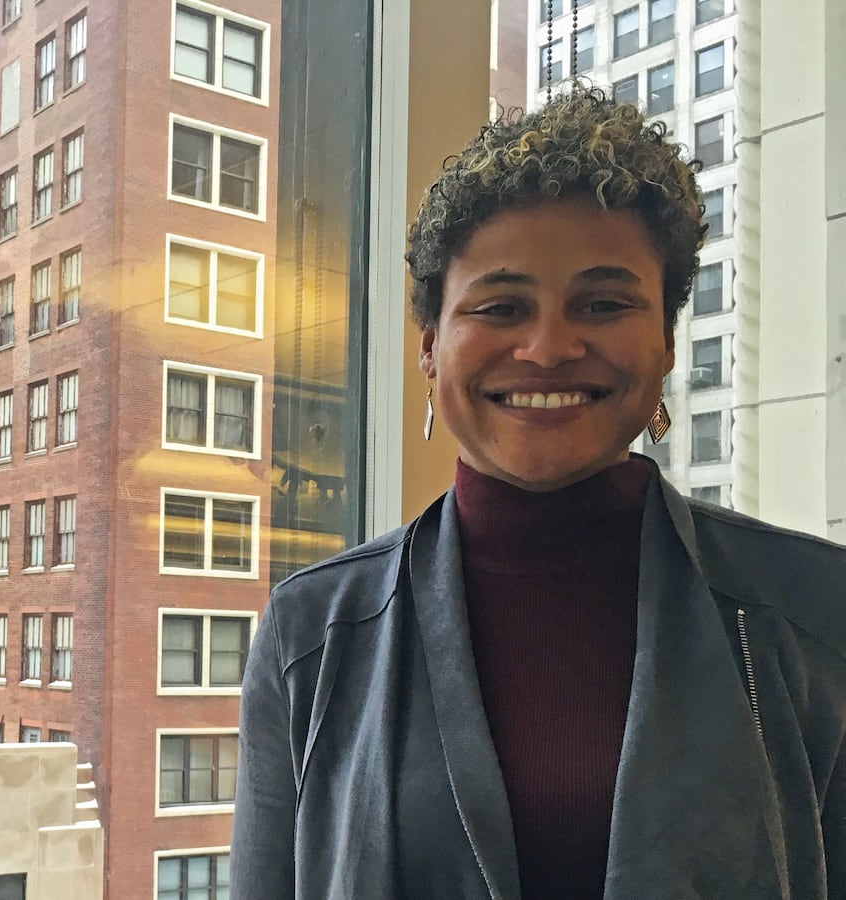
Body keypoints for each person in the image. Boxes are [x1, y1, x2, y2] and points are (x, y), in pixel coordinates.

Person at [231, 85, 846, 899]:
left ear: (664, 341)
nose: (549, 347)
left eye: (603, 303)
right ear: (430, 349)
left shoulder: (817, 611)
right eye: (501, 306)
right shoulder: (312, 633)